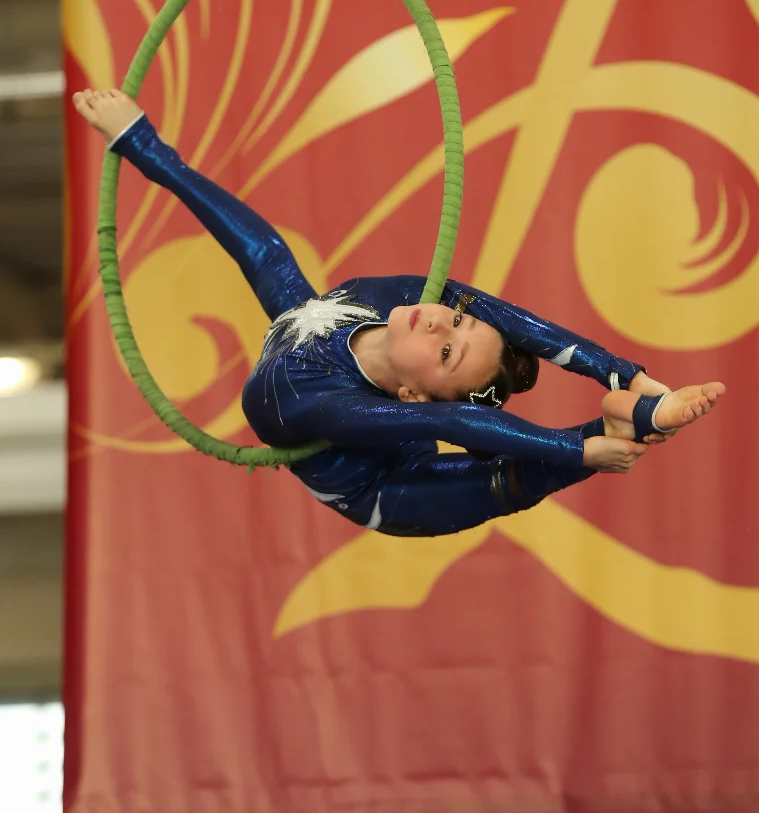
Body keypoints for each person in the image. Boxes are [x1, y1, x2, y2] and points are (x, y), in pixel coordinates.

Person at [74, 88, 725, 538]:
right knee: (531, 444)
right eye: (456, 325)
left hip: (388, 494)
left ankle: (619, 430)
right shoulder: (374, 301)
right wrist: (620, 370)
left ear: (412, 392)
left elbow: (448, 418)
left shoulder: (304, 397)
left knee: (516, 474)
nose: (439, 320)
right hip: (411, 438)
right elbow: (257, 244)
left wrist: (574, 450)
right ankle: (628, 417)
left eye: (446, 352)